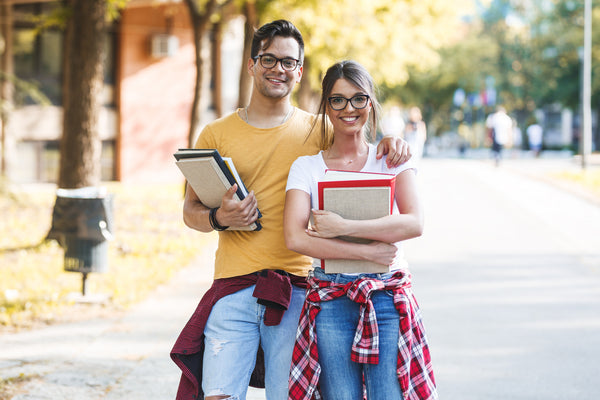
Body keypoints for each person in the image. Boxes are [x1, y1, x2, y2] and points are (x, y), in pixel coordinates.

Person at [170, 21, 411, 400]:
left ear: (299, 72)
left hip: (297, 290)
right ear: (251, 64)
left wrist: (392, 141)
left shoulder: (320, 129)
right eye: (268, 58)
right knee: (217, 395)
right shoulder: (215, 134)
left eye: (288, 61)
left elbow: (360, 144)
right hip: (232, 287)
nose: (277, 68)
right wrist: (220, 218)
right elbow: (190, 212)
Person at [284, 61, 437, 400]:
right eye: (337, 100)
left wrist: (343, 227)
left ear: (370, 103)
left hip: (384, 296)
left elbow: (414, 222)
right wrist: (366, 251)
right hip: (331, 298)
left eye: (358, 98)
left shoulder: (392, 159)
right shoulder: (307, 167)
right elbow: (294, 237)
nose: (348, 108)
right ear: (326, 105)